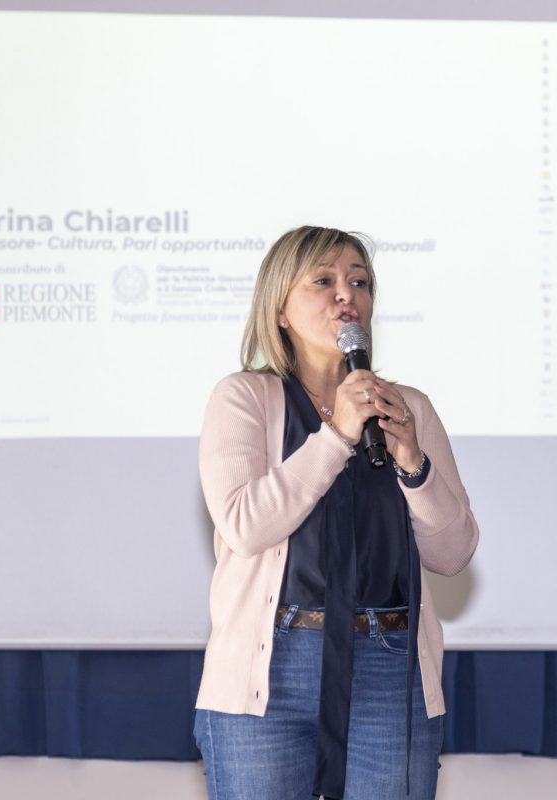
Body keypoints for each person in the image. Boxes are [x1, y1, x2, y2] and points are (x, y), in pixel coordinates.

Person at [193, 226, 479, 800]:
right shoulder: (244, 397)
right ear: (279, 309)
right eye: (323, 281)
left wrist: (413, 462)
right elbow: (244, 524)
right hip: (271, 667)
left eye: (360, 282)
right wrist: (336, 436)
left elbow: (453, 553)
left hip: (388, 662)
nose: (347, 295)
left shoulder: (409, 408)